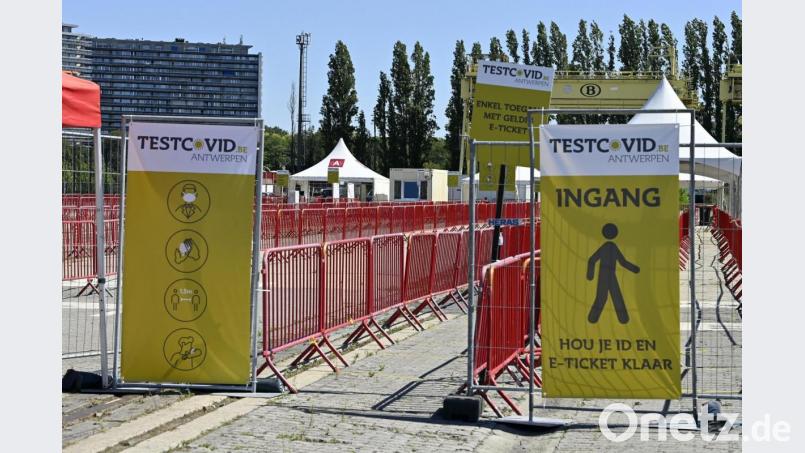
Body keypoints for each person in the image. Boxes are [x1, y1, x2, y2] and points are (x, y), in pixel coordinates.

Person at [586, 223, 640, 324]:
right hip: (605, 276)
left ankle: (622, 319)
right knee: (605, 297)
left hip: (610, 275)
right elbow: (592, 260)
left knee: (613, 296)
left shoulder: (611, 246)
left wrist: (635, 269)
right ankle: (593, 318)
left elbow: (622, 262)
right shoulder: (609, 246)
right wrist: (590, 275)